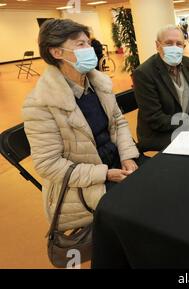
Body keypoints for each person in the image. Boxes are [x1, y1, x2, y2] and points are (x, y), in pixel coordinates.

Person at [22, 19, 141, 231]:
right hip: (85, 182)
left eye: (88, 42)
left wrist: (128, 156)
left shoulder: (98, 84)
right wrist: (105, 174)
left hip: (117, 162)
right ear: (57, 53)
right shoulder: (40, 103)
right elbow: (48, 164)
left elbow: (118, 122)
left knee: (162, 183)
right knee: (143, 207)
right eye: (80, 44)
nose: (90, 49)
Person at [133, 24, 189, 151]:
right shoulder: (144, 73)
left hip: (187, 125)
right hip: (159, 133)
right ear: (158, 46)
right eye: (169, 43)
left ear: (184, 46)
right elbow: (155, 118)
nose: (174, 48)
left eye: (179, 44)